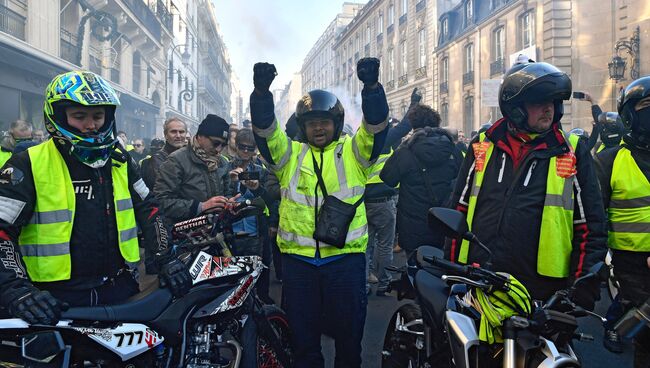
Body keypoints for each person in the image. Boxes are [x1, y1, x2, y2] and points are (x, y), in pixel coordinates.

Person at [0, 71, 191, 325]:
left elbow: (150, 210)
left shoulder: (120, 159)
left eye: (98, 116)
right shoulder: (27, 163)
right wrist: (16, 289)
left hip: (120, 288)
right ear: (57, 116)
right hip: (54, 299)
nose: (91, 125)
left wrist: (166, 258)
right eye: (79, 116)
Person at [249, 58, 388, 368]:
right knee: (304, 345)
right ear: (304, 127)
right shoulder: (289, 156)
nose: (319, 128)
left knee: (349, 343)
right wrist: (261, 95)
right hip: (299, 265)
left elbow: (376, 128)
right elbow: (265, 133)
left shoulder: (354, 152)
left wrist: (372, 89)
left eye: (324, 121)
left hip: (346, 263)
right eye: (312, 123)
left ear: (336, 123)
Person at [445, 61, 607, 306]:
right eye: (539, 101)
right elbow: (459, 208)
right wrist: (452, 266)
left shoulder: (571, 151)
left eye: (553, 102)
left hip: (543, 290)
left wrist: (583, 283)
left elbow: (591, 224)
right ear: (515, 107)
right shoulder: (482, 144)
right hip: (481, 278)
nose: (548, 109)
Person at [594, 76, 650, 367]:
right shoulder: (609, 162)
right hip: (633, 266)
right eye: (647, 106)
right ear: (630, 114)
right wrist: (596, 269)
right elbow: (594, 221)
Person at [381, 104, 462, 257]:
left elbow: (387, 178)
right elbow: (461, 180)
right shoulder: (453, 149)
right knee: (441, 271)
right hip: (444, 223)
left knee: (415, 269)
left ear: (414, 126)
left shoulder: (406, 151)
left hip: (413, 227)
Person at [365, 88, 418, 296]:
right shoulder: (384, 139)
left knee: (367, 245)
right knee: (385, 245)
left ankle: (366, 283)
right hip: (384, 200)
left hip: (363, 201)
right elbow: (405, 126)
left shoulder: (362, 143)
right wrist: (414, 102)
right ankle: (384, 284)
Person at [154, 114, 235, 225]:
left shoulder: (222, 162)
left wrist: (229, 202)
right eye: (215, 143)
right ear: (200, 136)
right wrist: (201, 207)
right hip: (186, 235)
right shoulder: (176, 161)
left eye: (223, 145)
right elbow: (161, 201)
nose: (218, 149)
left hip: (217, 231)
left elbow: (228, 192)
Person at [140, 117, 187, 191]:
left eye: (181, 132)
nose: (178, 136)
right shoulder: (157, 160)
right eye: (173, 132)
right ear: (165, 135)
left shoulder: (191, 157)